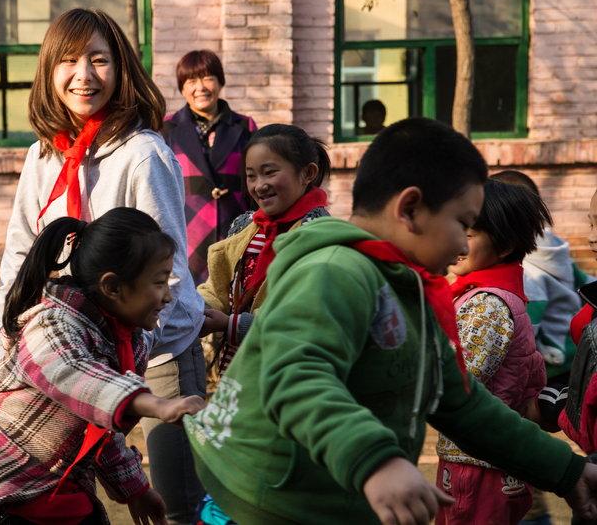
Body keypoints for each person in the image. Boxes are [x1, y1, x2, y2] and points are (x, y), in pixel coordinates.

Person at [185, 118, 597, 525]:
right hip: (258, 499)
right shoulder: (334, 271)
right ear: (410, 209)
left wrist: (566, 471)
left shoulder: (411, 291)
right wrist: (377, 462)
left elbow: (461, 403)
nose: (461, 243)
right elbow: (295, 375)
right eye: (462, 224)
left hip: (329, 497)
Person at [0, 8, 208, 525]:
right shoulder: (42, 156)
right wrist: (2, 348)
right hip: (69, 360)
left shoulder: (142, 154)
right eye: (68, 60)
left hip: (158, 350)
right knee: (57, 496)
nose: (84, 75)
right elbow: (19, 264)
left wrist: (114, 358)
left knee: (176, 507)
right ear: (48, 71)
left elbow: (169, 280)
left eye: (99, 59)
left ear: (120, 68)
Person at [0, 209, 205, 525]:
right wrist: (157, 405)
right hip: (7, 497)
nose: (168, 296)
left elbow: (99, 426)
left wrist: (135, 489)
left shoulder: (130, 340)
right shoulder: (49, 325)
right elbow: (75, 375)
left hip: (65, 491)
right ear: (112, 287)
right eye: (158, 282)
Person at [436, 178, 551, 525]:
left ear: (504, 246)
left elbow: (456, 380)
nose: (455, 241)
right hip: (486, 459)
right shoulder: (494, 295)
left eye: (468, 234)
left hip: (476, 464)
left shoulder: (487, 304)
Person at [490, 171, 595, 525]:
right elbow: (586, 287)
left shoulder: (527, 273)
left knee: (519, 460)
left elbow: (522, 327)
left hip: (541, 377)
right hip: (571, 364)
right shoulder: (557, 252)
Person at [198, 124, 330, 378]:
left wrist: (231, 324)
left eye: (269, 173)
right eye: (251, 176)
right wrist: (196, 309)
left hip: (287, 377)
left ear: (308, 173)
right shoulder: (246, 226)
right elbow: (218, 287)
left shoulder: (319, 235)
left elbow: (303, 315)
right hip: (238, 372)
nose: (259, 185)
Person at [162, 50, 257, 284]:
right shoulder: (165, 129)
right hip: (187, 238)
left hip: (236, 233)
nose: (200, 87)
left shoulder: (245, 126)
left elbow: (256, 181)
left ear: (220, 82)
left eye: (208, 79)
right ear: (182, 88)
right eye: (191, 81)